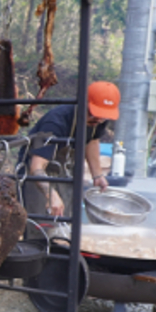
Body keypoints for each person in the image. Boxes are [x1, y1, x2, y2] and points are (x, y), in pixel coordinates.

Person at [18, 80, 121, 218]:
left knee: (63, 223)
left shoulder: (99, 120)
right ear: (83, 103)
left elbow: (92, 140)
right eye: (93, 113)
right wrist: (50, 195)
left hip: (64, 173)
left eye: (103, 116)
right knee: (41, 226)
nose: (98, 119)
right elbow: (36, 167)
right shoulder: (55, 122)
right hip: (37, 176)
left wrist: (97, 174)